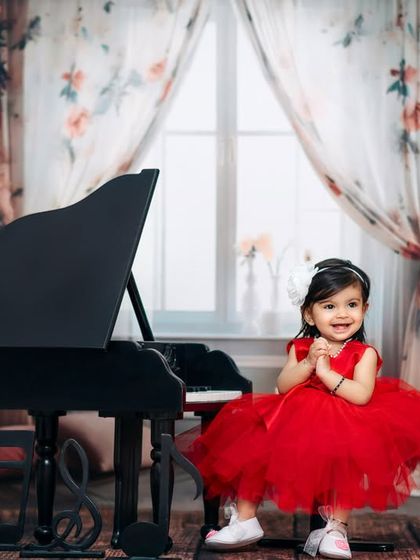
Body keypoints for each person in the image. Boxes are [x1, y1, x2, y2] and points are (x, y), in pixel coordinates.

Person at [190, 258, 420, 559]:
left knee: (344, 459)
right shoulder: (300, 348)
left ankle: (335, 528)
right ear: (309, 315)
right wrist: (310, 363)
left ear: (365, 309)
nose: (342, 314)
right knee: (254, 442)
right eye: (329, 306)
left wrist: (326, 374)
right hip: (295, 419)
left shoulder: (363, 353)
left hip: (349, 420)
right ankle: (245, 519)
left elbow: (362, 394)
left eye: (351, 304)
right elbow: (284, 384)